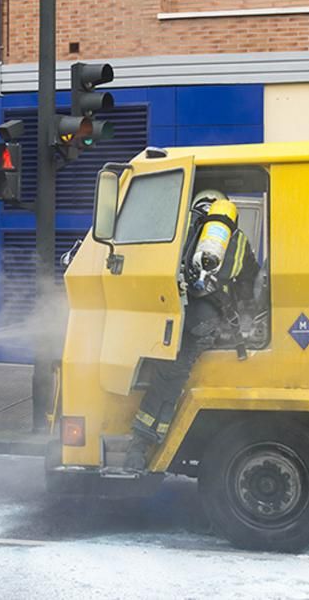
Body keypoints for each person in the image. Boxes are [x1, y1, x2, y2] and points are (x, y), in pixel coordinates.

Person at [123, 190, 259, 473]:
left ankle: (141, 444)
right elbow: (249, 285)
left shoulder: (181, 225)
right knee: (172, 374)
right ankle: (150, 437)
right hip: (207, 319)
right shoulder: (240, 240)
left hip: (173, 312)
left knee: (167, 376)